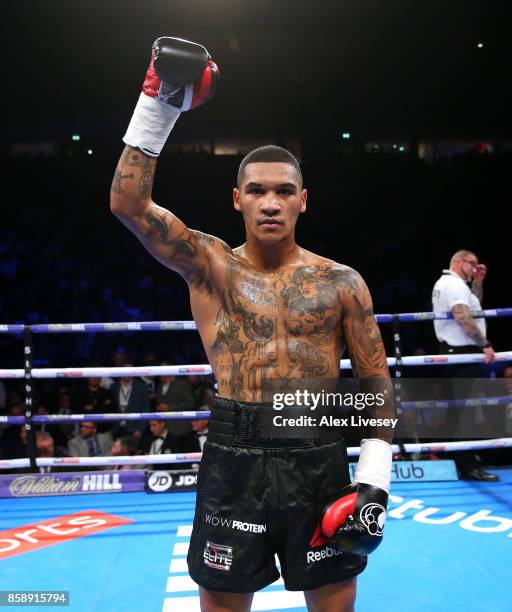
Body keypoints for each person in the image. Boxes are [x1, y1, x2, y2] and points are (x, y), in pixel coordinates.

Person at [111, 36, 395, 611]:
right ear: (236, 198)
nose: (271, 202)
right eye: (258, 191)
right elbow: (129, 207)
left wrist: (375, 480)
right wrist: (160, 102)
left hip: (318, 447)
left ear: (303, 201)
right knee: (221, 599)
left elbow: (376, 385)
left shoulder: (342, 282)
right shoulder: (211, 266)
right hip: (235, 453)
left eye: (284, 192)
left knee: (336, 598)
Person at [432, 249, 499, 481]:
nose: (475, 268)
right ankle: (469, 465)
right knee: (466, 411)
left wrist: (478, 283)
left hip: (456, 351)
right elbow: (463, 317)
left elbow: (474, 307)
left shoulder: (452, 283)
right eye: (472, 264)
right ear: (460, 262)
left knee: (460, 410)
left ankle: (461, 461)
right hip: (461, 351)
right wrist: (486, 344)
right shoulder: (454, 285)